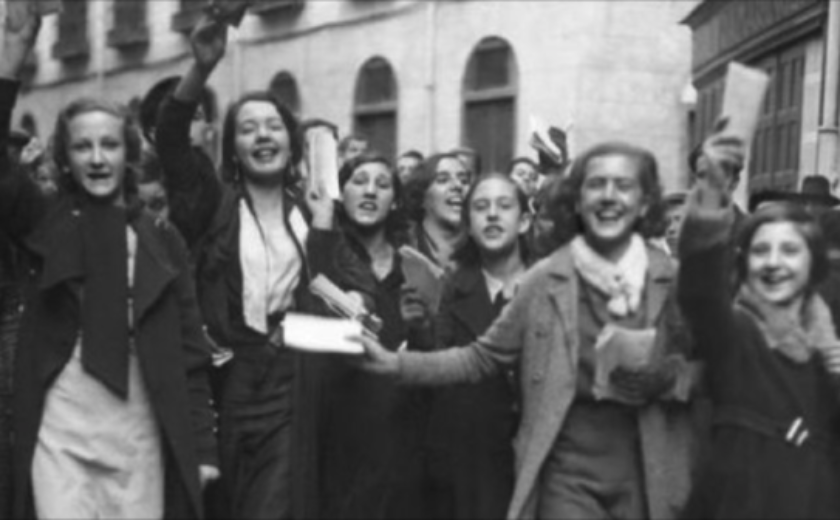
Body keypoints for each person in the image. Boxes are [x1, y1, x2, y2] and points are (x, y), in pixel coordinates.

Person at [357, 141, 700, 520]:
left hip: (643, 470)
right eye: (595, 185)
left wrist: (668, 378)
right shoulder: (548, 278)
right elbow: (480, 357)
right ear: (577, 201)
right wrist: (396, 363)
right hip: (565, 476)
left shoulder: (673, 280)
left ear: (645, 202)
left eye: (623, 185)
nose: (608, 197)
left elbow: (716, 371)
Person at [0, 8, 218, 519]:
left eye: (108, 145)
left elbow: (191, 352)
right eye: (82, 146)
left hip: (139, 428)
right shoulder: (45, 221)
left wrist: (204, 448)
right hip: (61, 429)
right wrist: (11, 60)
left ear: (128, 153)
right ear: (65, 157)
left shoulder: (162, 240)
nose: (97, 158)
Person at [155, 14, 373, 520]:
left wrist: (324, 232)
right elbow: (170, 141)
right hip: (226, 386)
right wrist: (201, 67)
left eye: (274, 126)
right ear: (232, 147)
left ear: (292, 142)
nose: (263, 136)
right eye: (248, 129)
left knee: (272, 507)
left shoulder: (313, 212)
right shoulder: (213, 204)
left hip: (291, 384)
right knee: (225, 506)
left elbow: (352, 303)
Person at [679, 129, 840, 519]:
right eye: (761, 250)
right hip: (738, 503)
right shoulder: (736, 331)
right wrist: (713, 189)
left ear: (813, 261)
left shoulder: (827, 350)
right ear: (744, 262)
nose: (773, 263)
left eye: (790, 250)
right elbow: (699, 288)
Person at [412, 173, 531, 520]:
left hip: (532, 459)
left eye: (504, 206)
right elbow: (440, 368)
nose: (492, 215)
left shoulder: (547, 283)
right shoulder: (452, 287)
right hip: (467, 465)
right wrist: (420, 329)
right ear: (469, 225)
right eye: (480, 207)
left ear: (524, 221)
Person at [320, 153, 427, 519]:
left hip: (400, 424)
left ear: (395, 201)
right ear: (342, 193)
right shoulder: (326, 253)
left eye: (382, 185)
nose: (370, 192)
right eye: (359, 181)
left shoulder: (413, 264)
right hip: (338, 419)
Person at [402, 152, 472, 270]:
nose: (458, 185)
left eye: (464, 181)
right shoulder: (400, 248)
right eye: (443, 180)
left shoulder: (483, 250)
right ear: (421, 195)